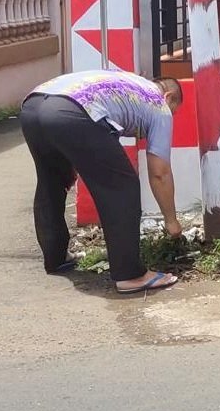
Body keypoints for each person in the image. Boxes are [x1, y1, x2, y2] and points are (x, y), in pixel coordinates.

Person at [19, 70, 184, 295]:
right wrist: (171, 221)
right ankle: (130, 275)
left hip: (33, 105)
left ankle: (55, 257)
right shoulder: (159, 104)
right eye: (175, 111)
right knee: (122, 188)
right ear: (170, 97)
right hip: (71, 110)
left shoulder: (128, 83)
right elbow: (160, 173)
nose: (171, 116)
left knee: (52, 180)